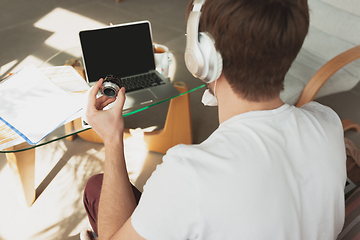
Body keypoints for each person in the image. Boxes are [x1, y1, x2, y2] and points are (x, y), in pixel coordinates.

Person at [81, 0, 350, 239]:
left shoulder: (189, 173)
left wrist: (113, 137)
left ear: (202, 57)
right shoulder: (327, 123)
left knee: (97, 189)